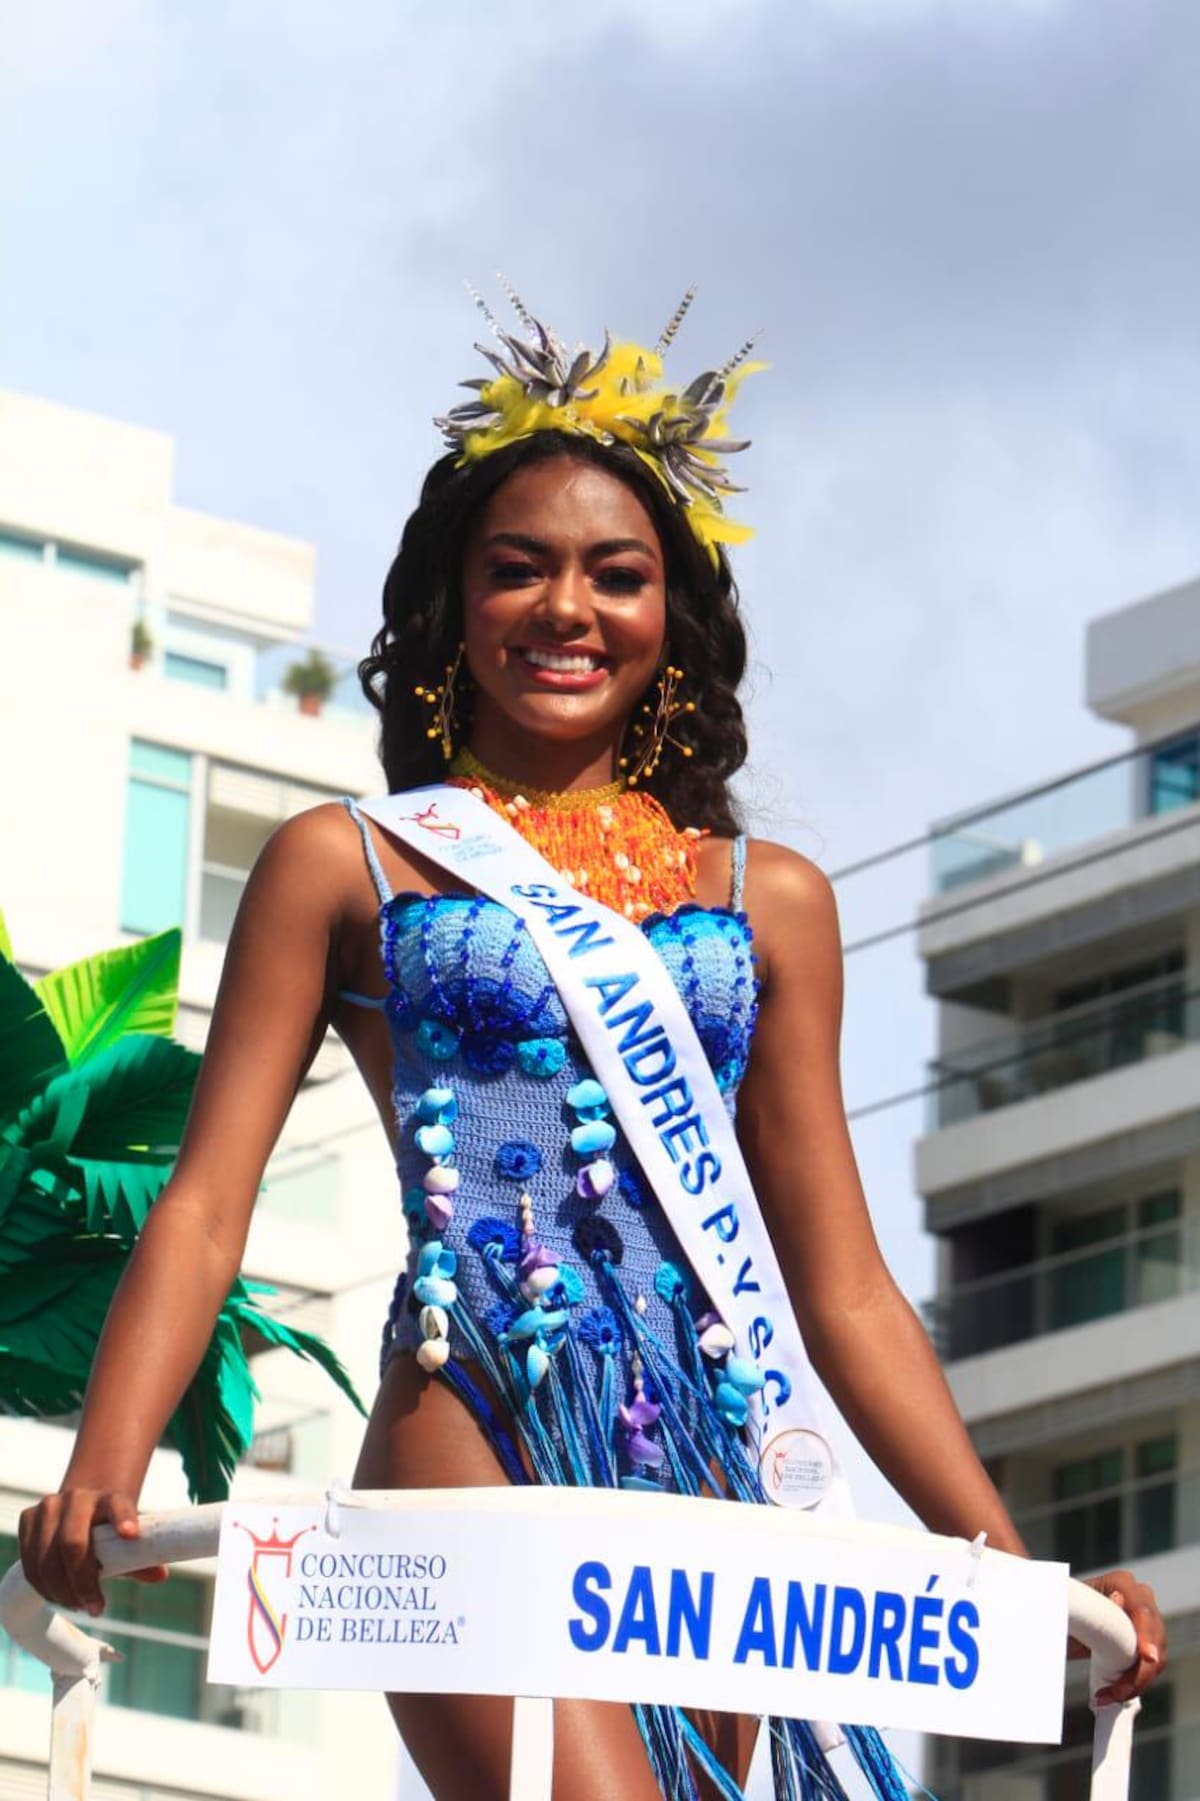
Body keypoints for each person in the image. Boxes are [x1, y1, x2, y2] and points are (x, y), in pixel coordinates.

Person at [19, 295, 1165, 1799]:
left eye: (615, 575)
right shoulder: (346, 865)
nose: (568, 607)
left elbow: (848, 1289)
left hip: (714, 1468)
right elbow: (209, 1202)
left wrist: (1015, 1566)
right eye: (520, 570)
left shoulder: (770, 905)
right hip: (471, 1409)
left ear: (669, 623)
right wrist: (109, 1454)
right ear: (453, 611)